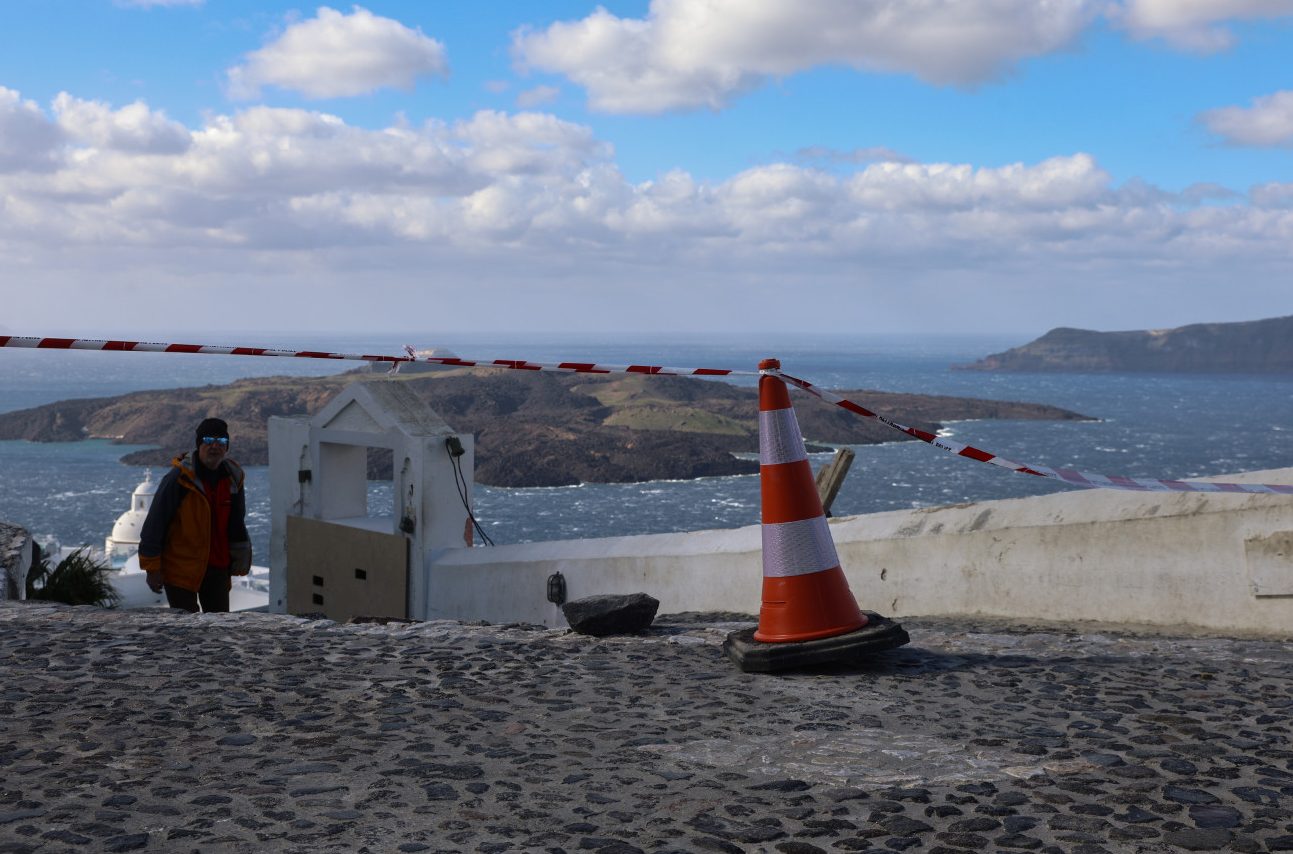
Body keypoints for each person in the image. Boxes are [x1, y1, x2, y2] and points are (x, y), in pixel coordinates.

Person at [139, 417, 252, 612]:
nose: (214, 446)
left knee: (218, 627)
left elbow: (236, 522)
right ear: (199, 444)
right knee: (186, 630)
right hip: (181, 570)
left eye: (221, 442)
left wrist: (238, 560)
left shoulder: (233, 480)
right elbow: (155, 523)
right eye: (208, 440)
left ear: (227, 448)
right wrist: (152, 568)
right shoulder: (178, 479)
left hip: (217, 568)